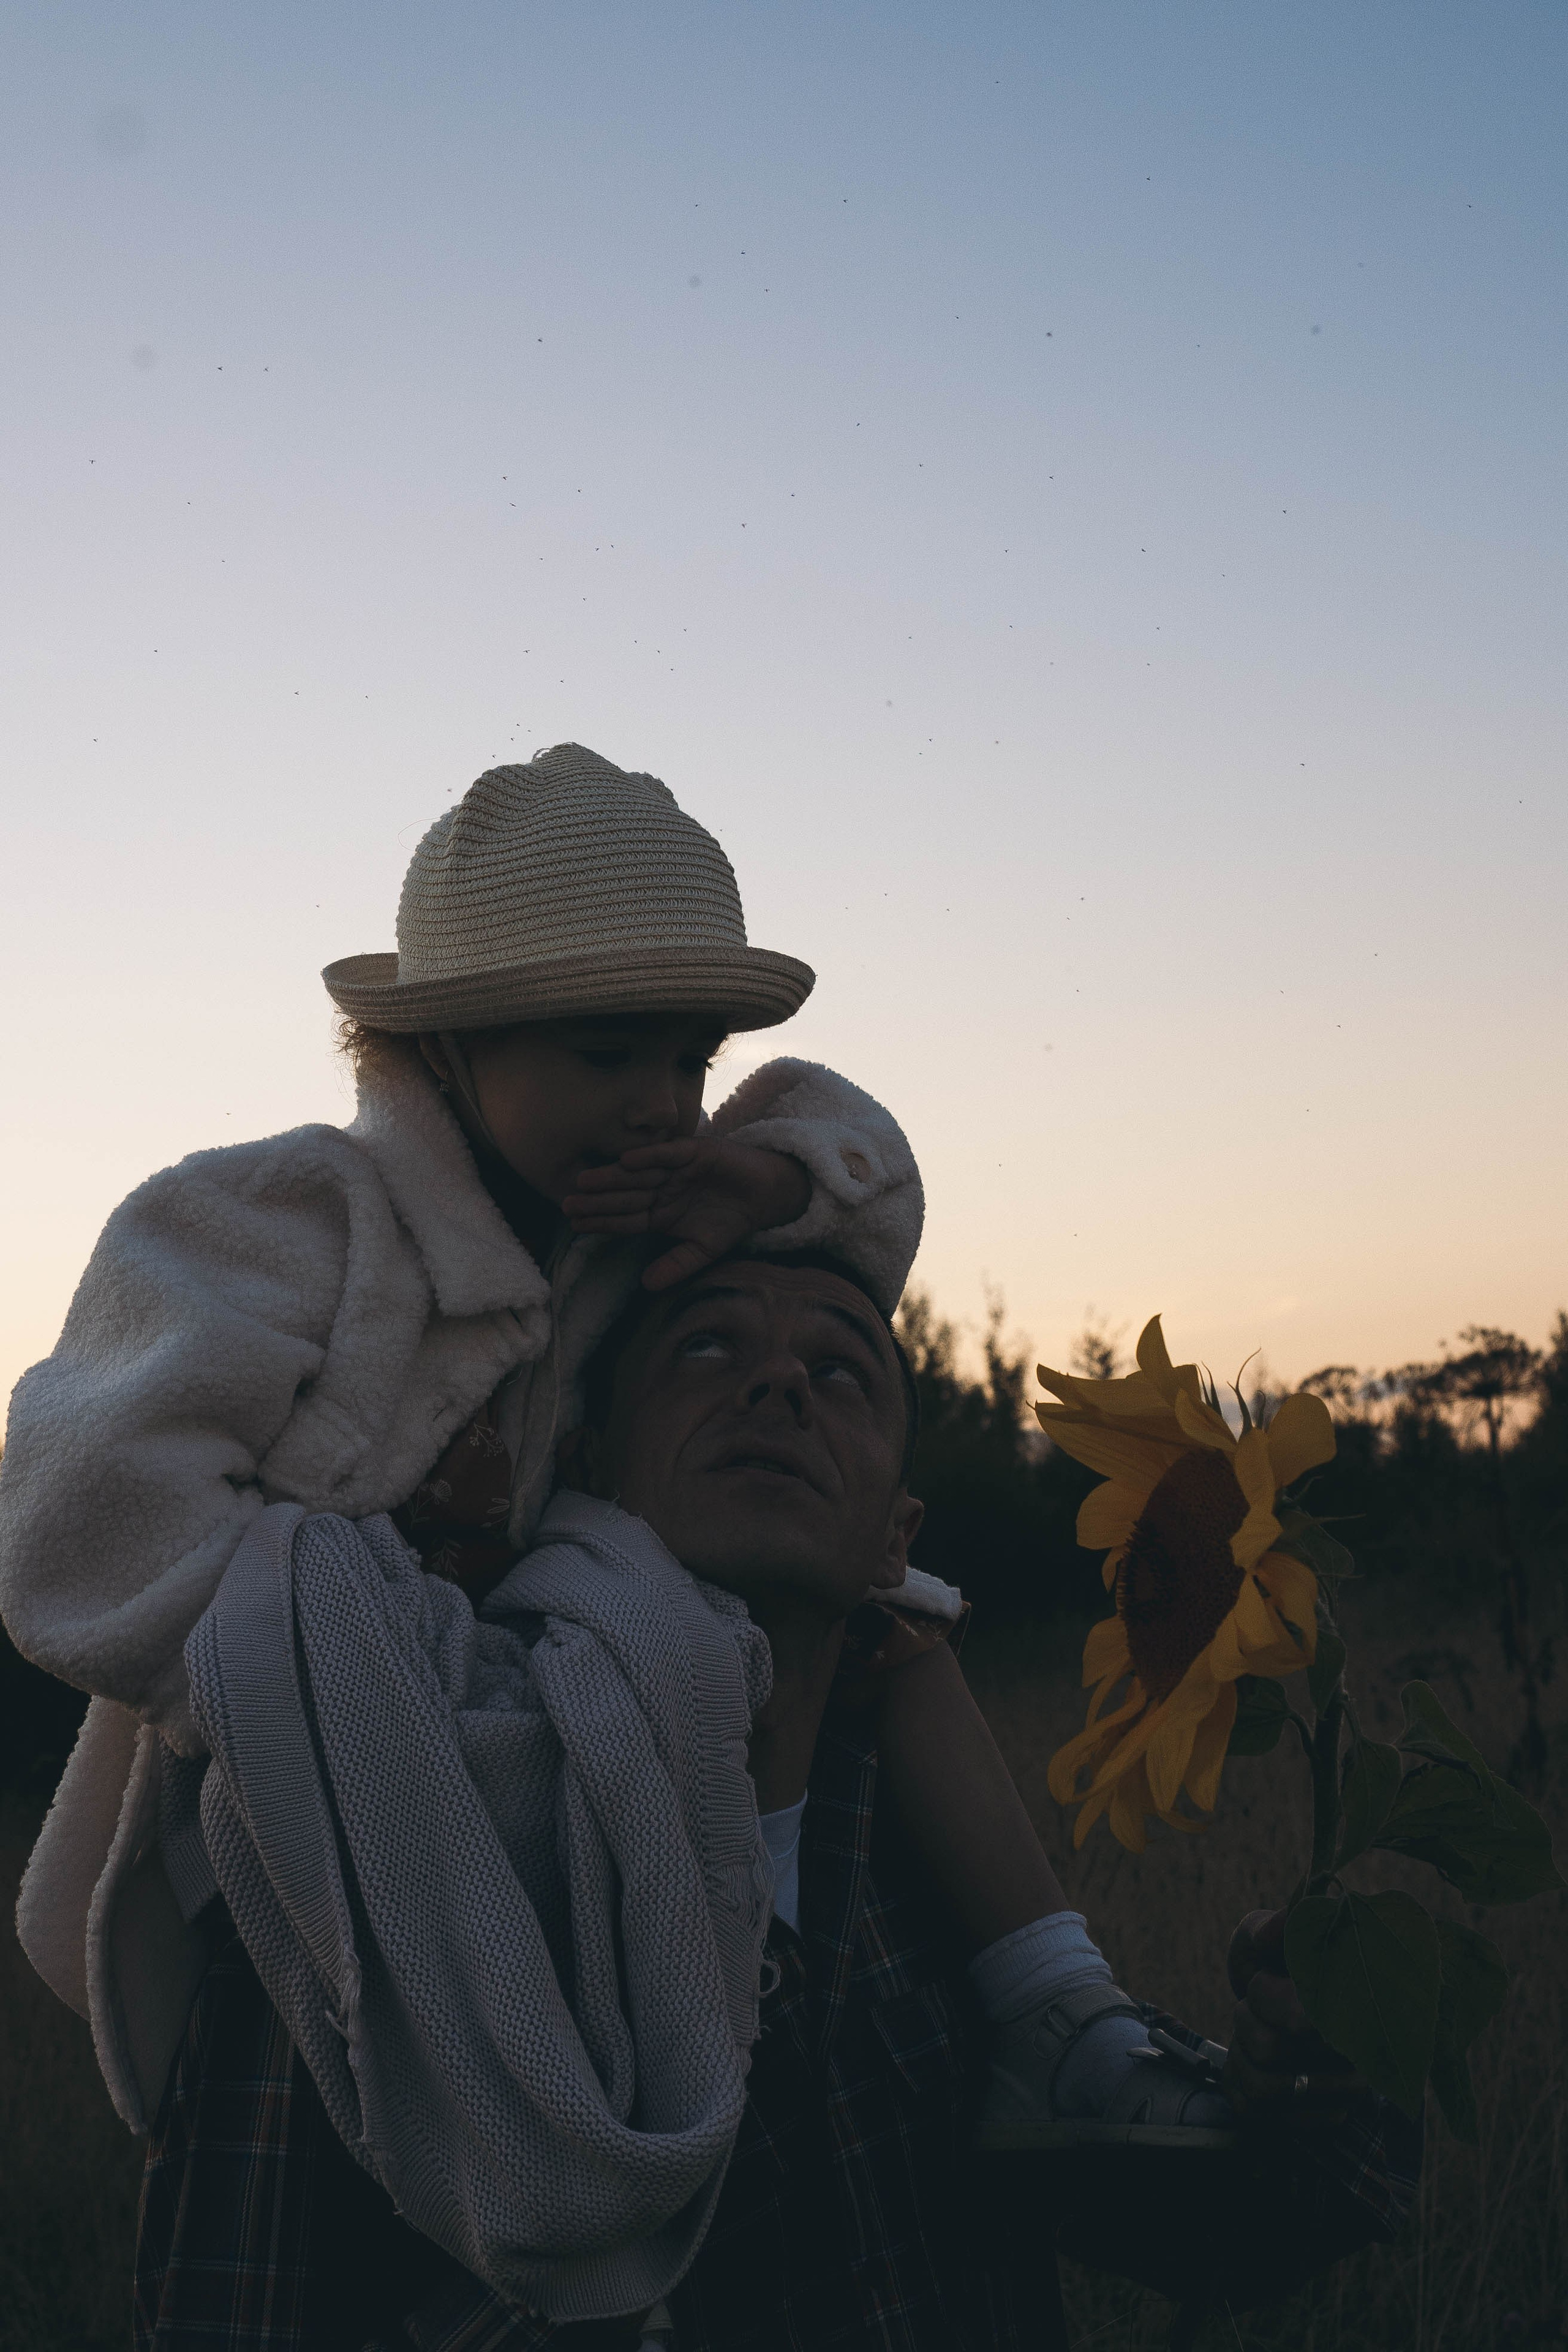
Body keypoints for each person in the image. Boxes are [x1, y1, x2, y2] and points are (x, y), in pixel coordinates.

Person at [0, 740, 1205, 2157]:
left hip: (577, 1710)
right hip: (308, 1787)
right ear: (450, 1047)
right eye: (604, 1050)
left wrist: (757, 1173)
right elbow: (82, 1514)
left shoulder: (633, 1235)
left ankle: (1054, 2006)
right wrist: (359, 1675)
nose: (662, 1102)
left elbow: (867, 1186)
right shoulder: (284, 1221)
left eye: (689, 1061)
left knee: (888, 1616)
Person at [135, 1248, 1418, 2351]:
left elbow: (1237, 2243)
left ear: (892, 1538)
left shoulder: (932, 1882)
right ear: (581, 1469)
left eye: (843, 1371)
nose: (779, 1382)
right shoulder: (368, 1856)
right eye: (704, 1348)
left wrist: (1311, 2065)